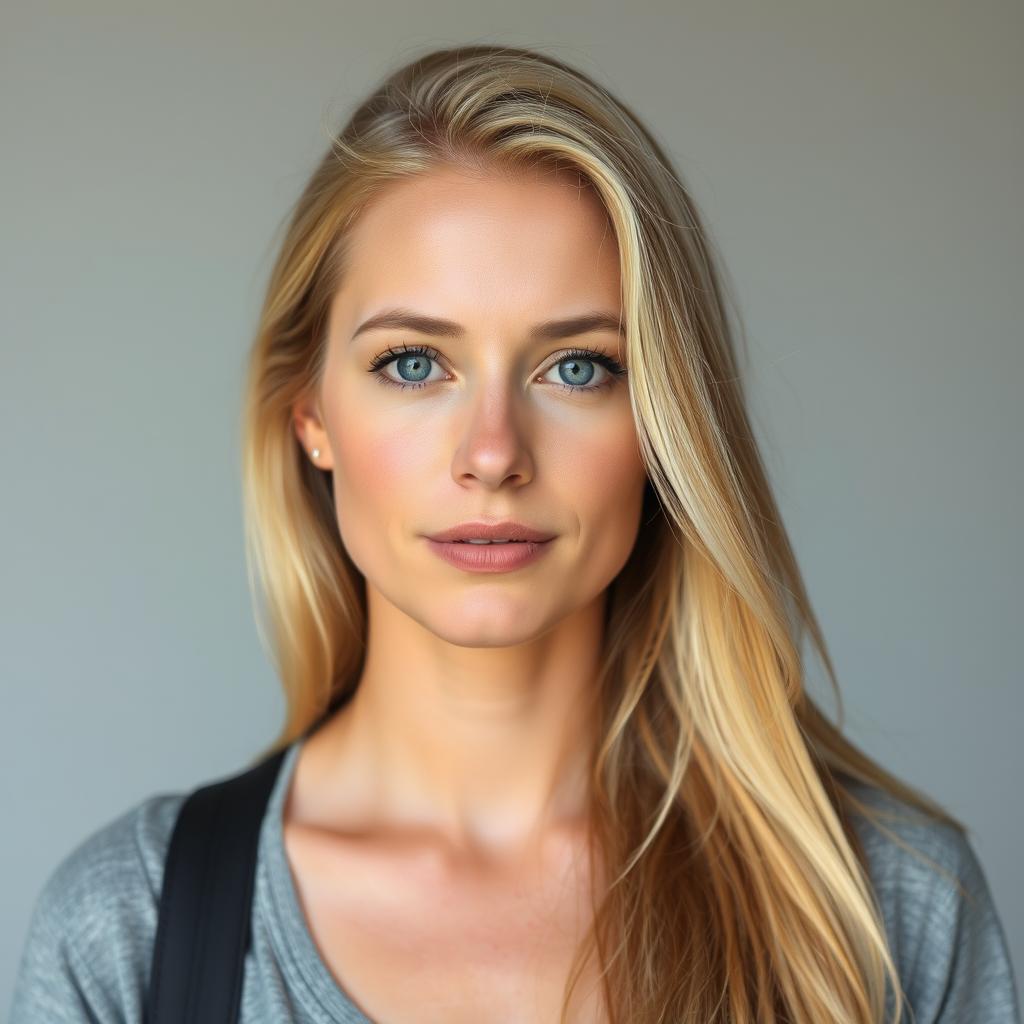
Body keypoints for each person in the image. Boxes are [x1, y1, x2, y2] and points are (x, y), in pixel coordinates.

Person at [9, 44, 1021, 1024]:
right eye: (413, 363)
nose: (493, 452)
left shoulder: (884, 907)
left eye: (578, 367)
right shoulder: (128, 933)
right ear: (309, 414)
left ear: (665, 426)